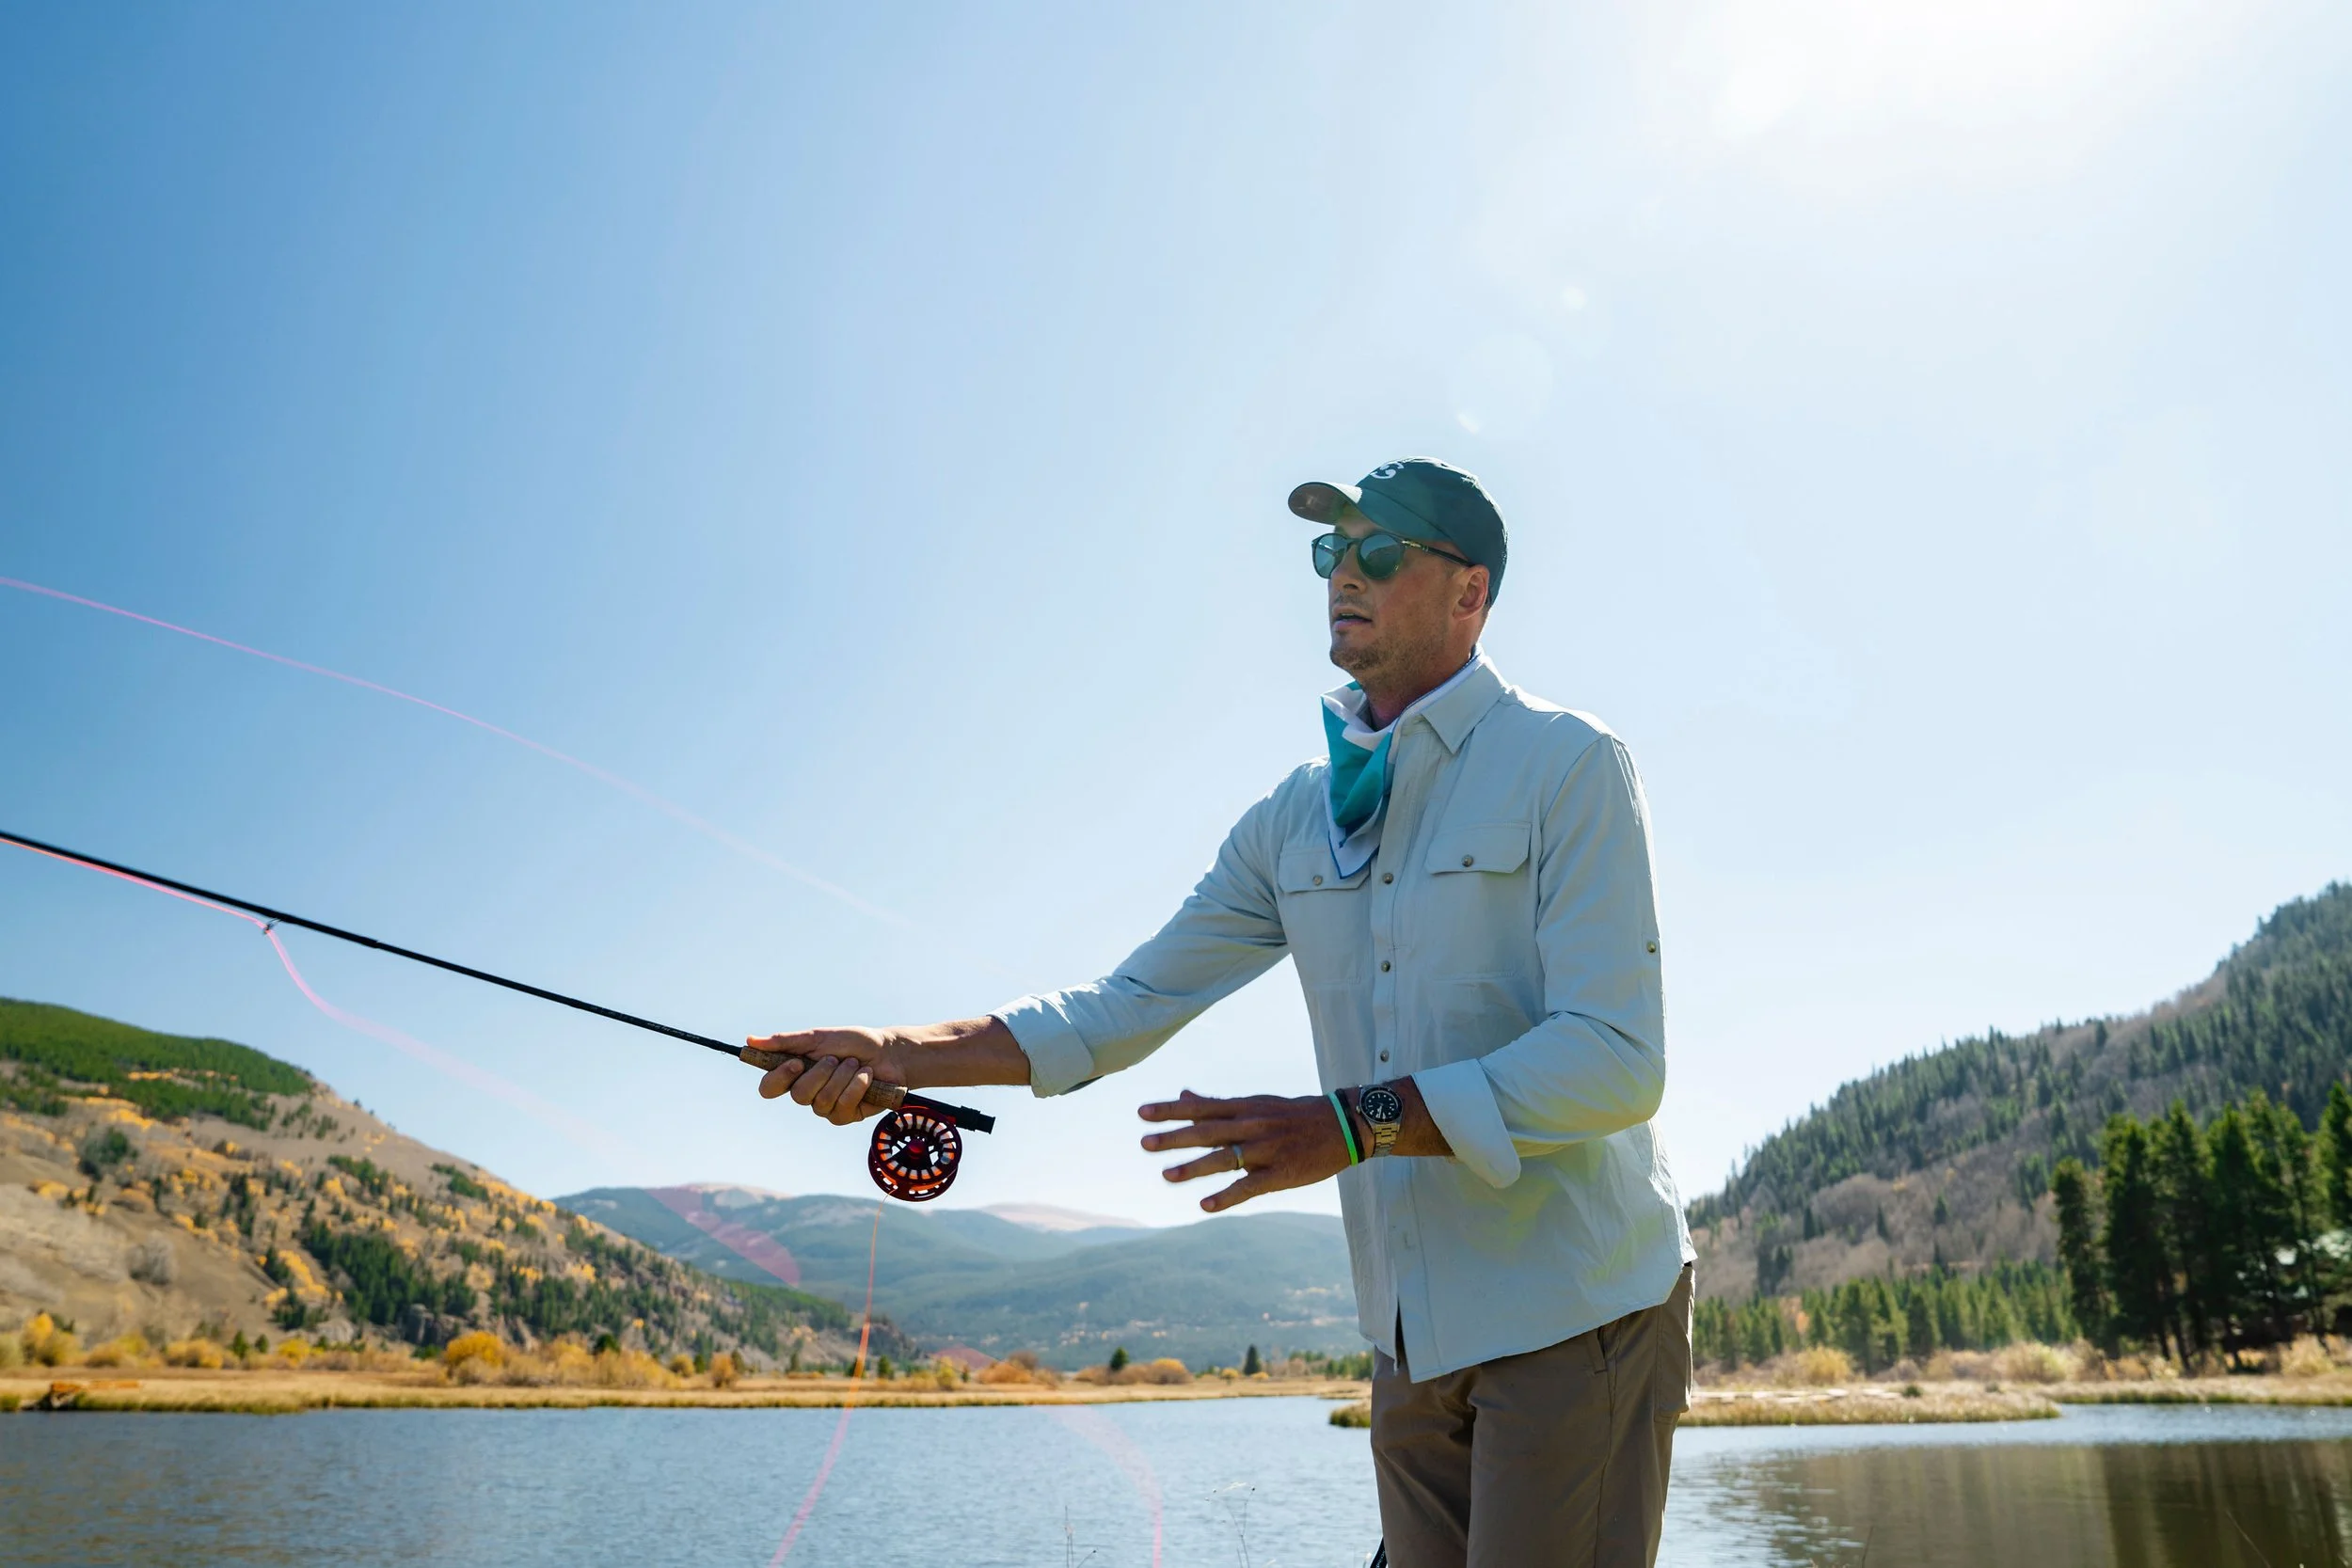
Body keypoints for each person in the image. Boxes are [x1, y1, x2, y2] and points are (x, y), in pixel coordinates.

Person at [750, 458, 1694, 1567]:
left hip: (1576, 1308)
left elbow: (1618, 1059)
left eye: (1377, 552)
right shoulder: (1291, 815)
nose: (1342, 573)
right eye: (1329, 551)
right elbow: (1126, 1002)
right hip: (1408, 1338)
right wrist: (899, 1050)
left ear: (1468, 592)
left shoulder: (1567, 762)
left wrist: (1350, 1123)